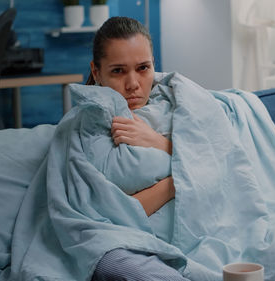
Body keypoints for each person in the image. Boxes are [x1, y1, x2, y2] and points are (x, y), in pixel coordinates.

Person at [85, 16, 189, 281]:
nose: (133, 84)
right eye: (118, 71)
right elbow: (107, 216)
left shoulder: (181, 104)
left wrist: (158, 142)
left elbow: (219, 165)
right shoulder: (88, 127)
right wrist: (177, 181)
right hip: (125, 243)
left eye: (143, 68)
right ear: (96, 72)